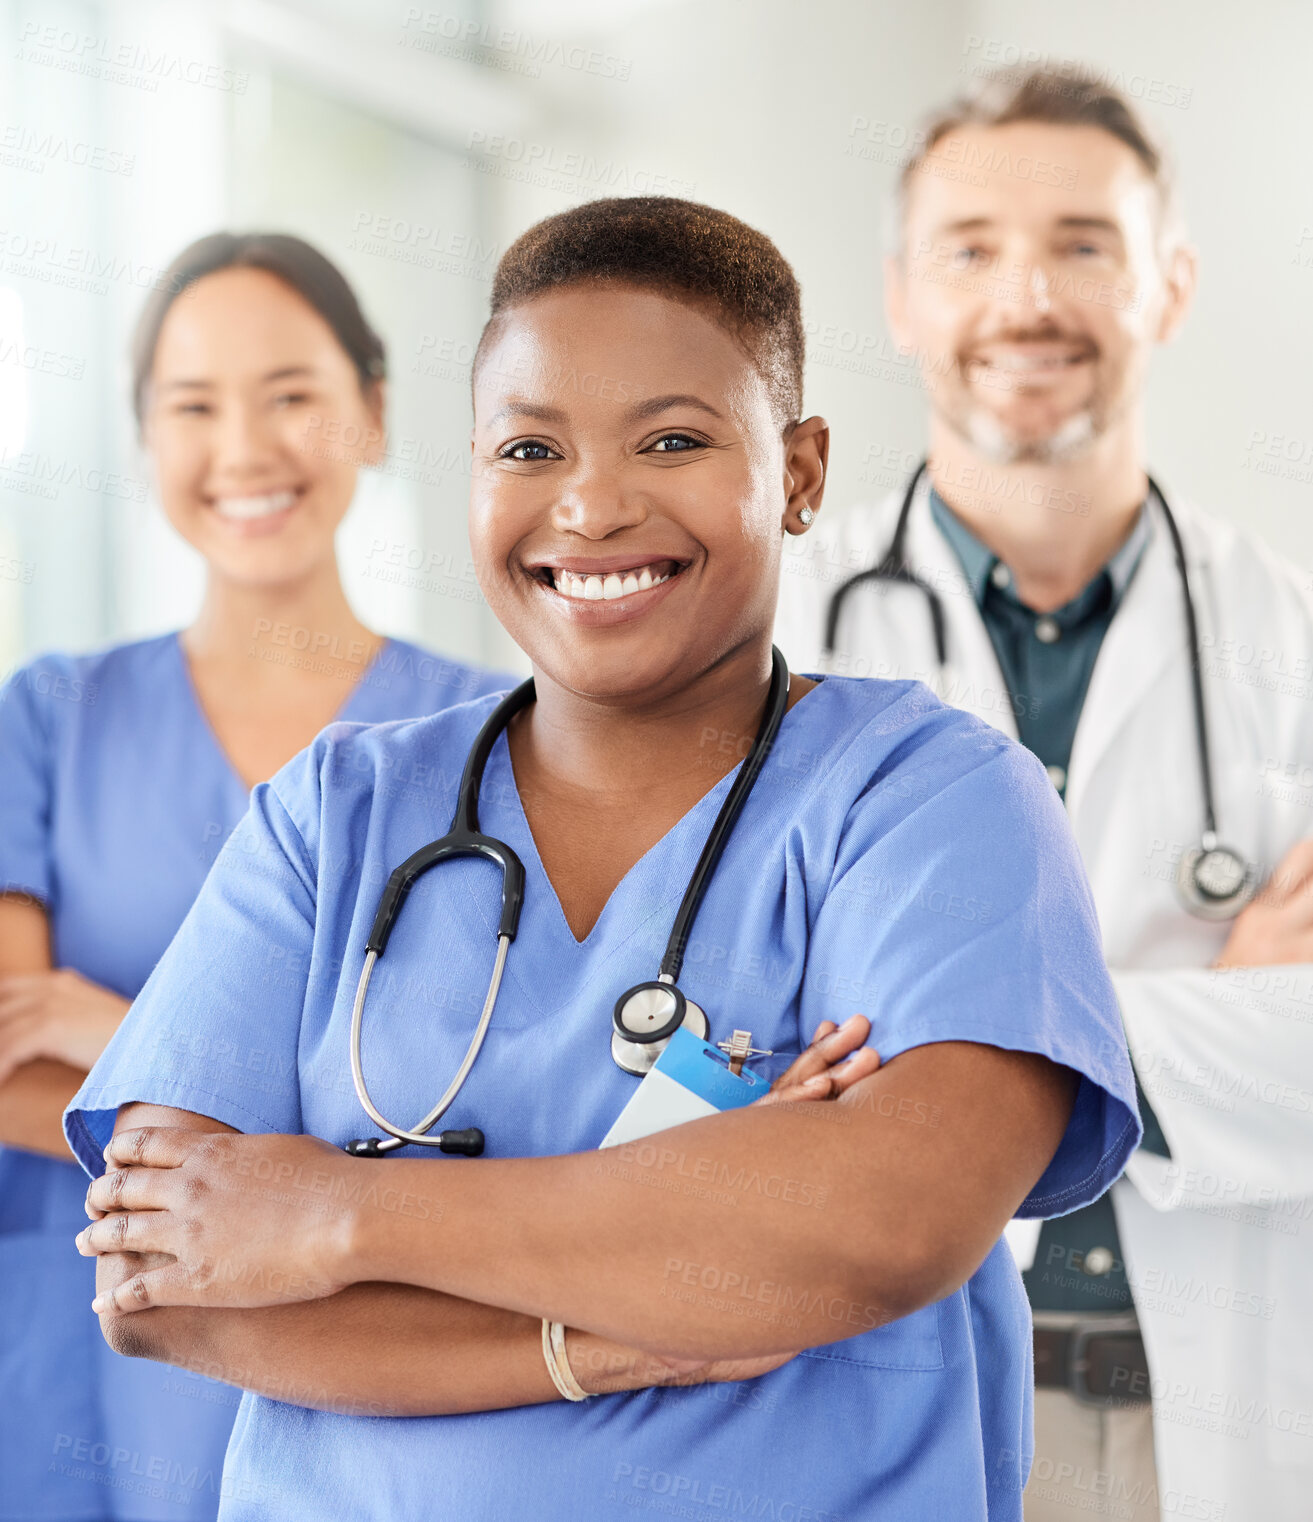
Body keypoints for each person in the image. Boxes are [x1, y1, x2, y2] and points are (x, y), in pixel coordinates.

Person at [66, 196, 1139, 1521]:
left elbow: (885, 1222)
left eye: (673, 439)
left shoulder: (929, 802)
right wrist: (597, 1336)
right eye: (528, 446)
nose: (590, 504)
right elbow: (159, 1286)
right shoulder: (333, 813)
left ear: (799, 471)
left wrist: (336, 1215)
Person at [775, 67, 1313, 1522]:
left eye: (1083, 243)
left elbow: (866, 1055)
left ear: (1169, 283)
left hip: (1216, 1423)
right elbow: (743, 1047)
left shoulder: (1295, 640)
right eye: (970, 250)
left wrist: (954, 1040)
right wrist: (1214, 998)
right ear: (899, 296)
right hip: (885, 1408)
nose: (1025, 298)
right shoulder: (773, 650)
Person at [0, 231, 511, 1520]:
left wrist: (114, 1033)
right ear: (147, 439)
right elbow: (10, 1066)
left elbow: (485, 1116)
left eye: (292, 395)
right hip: (76, 1379)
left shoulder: (494, 743)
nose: (246, 449)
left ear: (376, 416)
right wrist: (326, 1142)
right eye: (194, 406)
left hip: (371, 1367)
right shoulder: (49, 719)